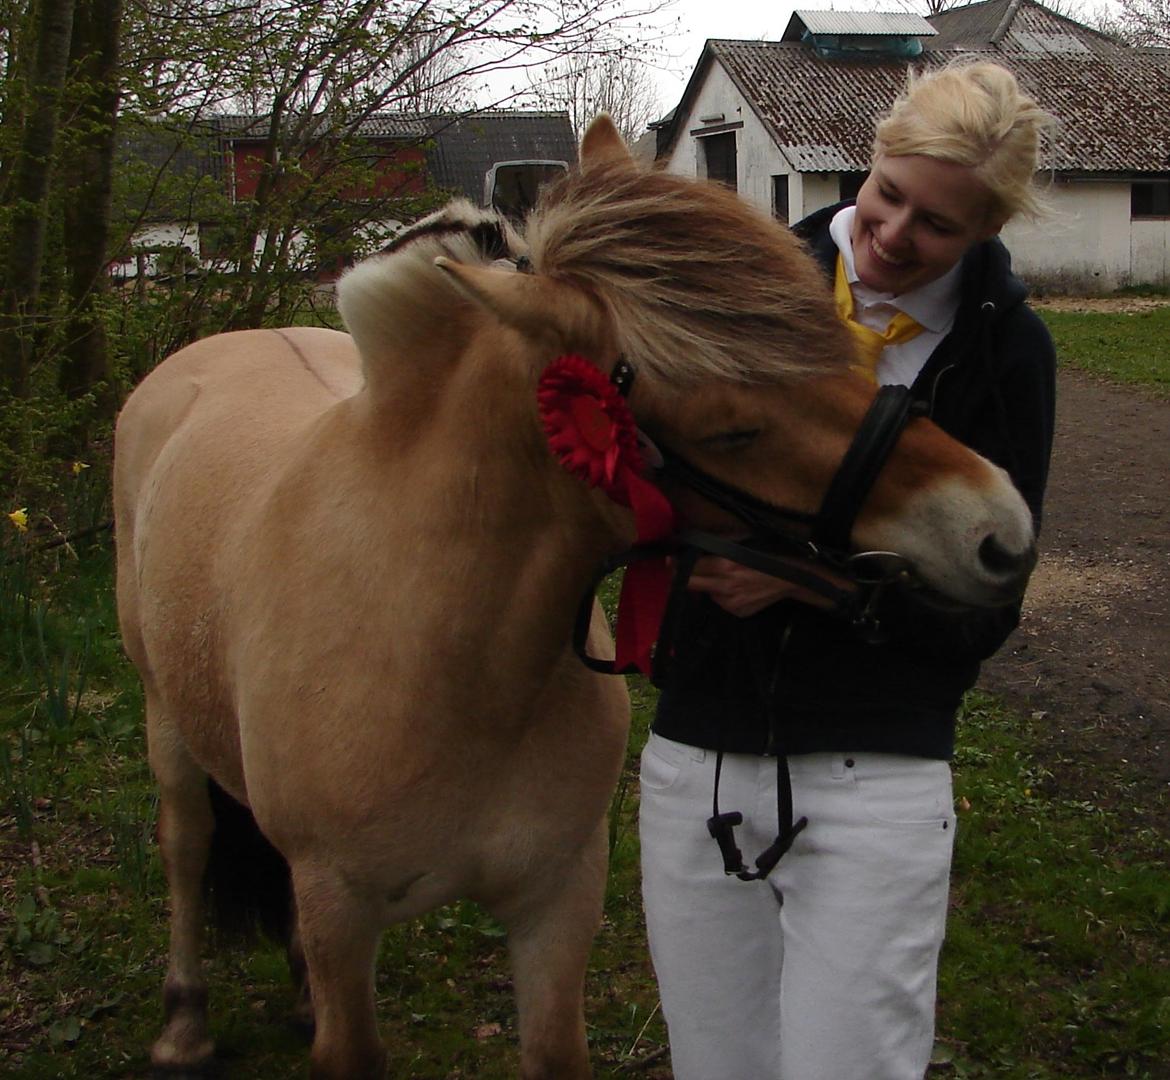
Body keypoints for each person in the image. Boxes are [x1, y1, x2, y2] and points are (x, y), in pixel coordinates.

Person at [639, 62, 1057, 1080]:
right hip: (703, 745)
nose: (895, 234)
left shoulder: (1005, 352)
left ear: (988, 232)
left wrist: (819, 585)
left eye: (940, 226)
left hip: (880, 768)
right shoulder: (742, 295)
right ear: (867, 164)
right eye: (890, 193)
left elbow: (985, 605)